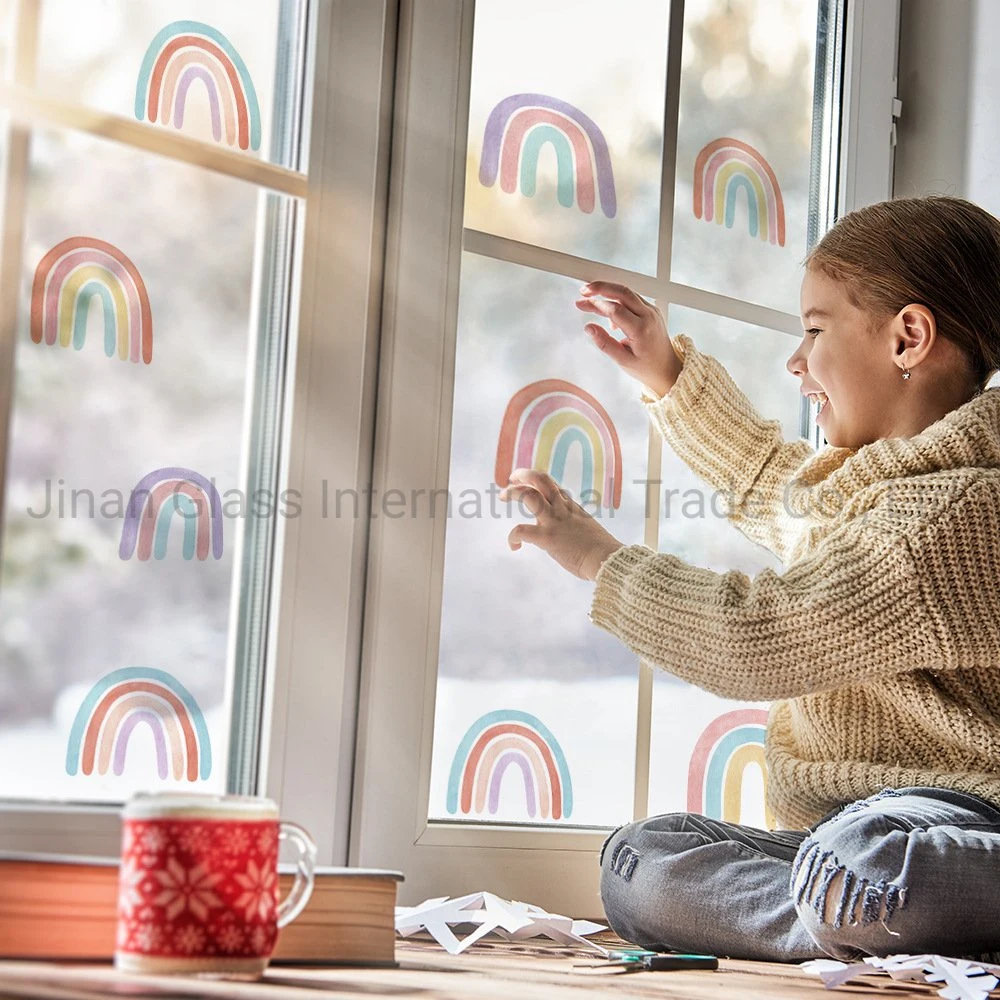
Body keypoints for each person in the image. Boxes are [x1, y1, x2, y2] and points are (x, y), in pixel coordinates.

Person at [496, 196, 1000, 962]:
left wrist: (600, 559)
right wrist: (666, 373)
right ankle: (846, 914)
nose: (796, 361)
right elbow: (770, 483)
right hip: (827, 841)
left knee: (870, 861)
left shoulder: (958, 516)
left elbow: (756, 635)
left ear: (909, 337)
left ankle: (856, 904)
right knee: (639, 860)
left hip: (952, 824)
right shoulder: (864, 493)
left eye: (815, 329)